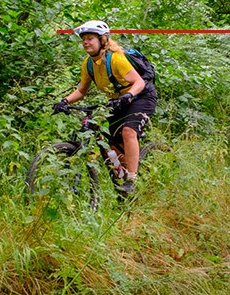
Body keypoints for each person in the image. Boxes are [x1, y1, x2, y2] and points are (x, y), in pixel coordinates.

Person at [53, 20, 157, 195]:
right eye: (83, 39)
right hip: (118, 101)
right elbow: (81, 90)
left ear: (103, 40)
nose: (86, 42)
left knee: (128, 132)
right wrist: (64, 101)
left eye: (90, 38)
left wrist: (129, 96)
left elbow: (138, 82)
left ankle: (132, 179)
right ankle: (124, 184)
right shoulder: (88, 63)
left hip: (141, 96)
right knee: (113, 141)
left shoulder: (116, 58)